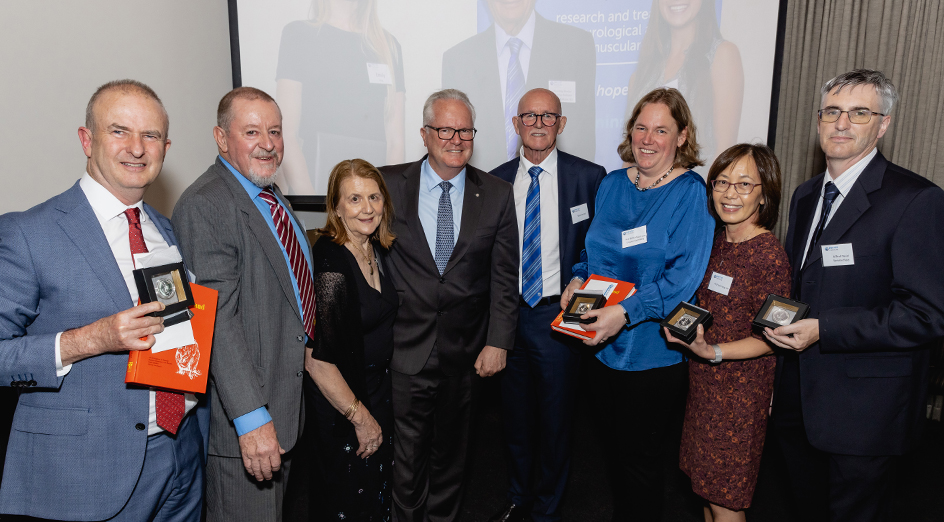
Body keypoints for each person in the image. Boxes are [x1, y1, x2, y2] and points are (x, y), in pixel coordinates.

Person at [0, 79, 206, 520]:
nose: (136, 148)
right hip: (87, 473)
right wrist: (91, 339)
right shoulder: (28, 233)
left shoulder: (167, 231)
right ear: (86, 139)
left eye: (150, 135)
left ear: (165, 147)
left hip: (182, 457)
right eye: (119, 131)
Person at [764, 70, 944, 522]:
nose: (841, 124)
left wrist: (824, 329)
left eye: (859, 112)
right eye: (832, 111)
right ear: (818, 120)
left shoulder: (916, 199)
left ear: (882, 124)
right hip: (797, 399)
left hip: (865, 412)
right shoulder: (807, 195)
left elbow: (927, 314)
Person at [561, 87, 714, 522]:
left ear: (681, 137)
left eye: (661, 130)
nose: (648, 139)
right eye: (641, 127)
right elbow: (595, 254)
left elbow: (683, 280)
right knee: (613, 456)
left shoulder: (690, 194)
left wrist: (624, 312)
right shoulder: (611, 184)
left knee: (641, 464)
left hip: (651, 354)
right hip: (599, 347)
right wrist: (576, 277)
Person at [378, 89, 519, 521]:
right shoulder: (385, 184)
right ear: (424, 134)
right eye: (445, 129)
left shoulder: (496, 193)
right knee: (404, 464)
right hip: (404, 350)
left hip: (466, 355)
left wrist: (499, 342)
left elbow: (503, 276)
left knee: (450, 463)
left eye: (465, 130)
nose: (456, 139)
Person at [173, 87, 312, 522]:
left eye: (275, 130)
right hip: (245, 428)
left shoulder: (271, 198)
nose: (268, 143)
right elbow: (216, 321)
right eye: (251, 131)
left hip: (284, 412)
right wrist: (252, 421)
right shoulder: (207, 203)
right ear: (220, 138)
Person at [488, 88, 606, 522]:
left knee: (557, 420)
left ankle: (548, 510)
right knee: (514, 418)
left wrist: (582, 278)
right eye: (530, 116)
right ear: (516, 123)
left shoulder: (590, 178)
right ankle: (519, 498)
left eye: (548, 116)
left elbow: (602, 248)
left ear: (562, 124)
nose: (539, 123)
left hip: (560, 314)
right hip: (507, 314)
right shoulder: (493, 179)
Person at [663, 144, 791, 522]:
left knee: (727, 502)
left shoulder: (769, 256)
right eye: (721, 182)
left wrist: (713, 352)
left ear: (764, 194)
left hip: (739, 398)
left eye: (744, 183)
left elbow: (773, 338)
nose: (729, 193)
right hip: (704, 388)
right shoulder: (718, 241)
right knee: (705, 492)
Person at [304, 159, 398, 521]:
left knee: (375, 498)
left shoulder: (377, 250)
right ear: (336, 208)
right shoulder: (330, 261)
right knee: (346, 503)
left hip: (377, 392)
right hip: (343, 405)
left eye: (374, 197)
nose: (367, 208)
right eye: (355, 199)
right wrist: (360, 418)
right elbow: (316, 360)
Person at [442, 0, 596, 171]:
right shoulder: (458, 59)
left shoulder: (576, 45)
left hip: (560, 188)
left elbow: (584, 134)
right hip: (483, 191)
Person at [276, 0, 405, 194]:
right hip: (315, 192)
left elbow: (396, 142)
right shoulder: (298, 34)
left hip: (371, 202)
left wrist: (384, 201)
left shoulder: (388, 46)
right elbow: (287, 134)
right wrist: (314, 203)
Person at [625, 0, 743, 167]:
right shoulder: (641, 74)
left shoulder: (722, 55)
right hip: (639, 190)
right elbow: (629, 156)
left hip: (695, 187)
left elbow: (724, 150)